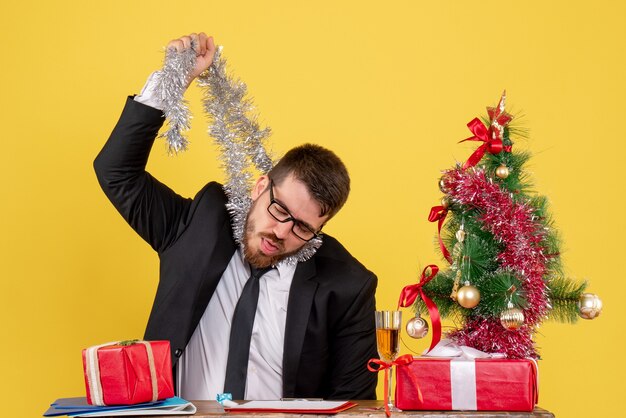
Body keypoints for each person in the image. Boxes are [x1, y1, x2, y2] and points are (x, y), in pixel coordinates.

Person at [94, 32, 378, 401]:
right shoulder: (200, 223)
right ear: (260, 187)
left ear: (321, 230)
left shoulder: (348, 285)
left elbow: (354, 400)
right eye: (280, 210)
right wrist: (171, 82)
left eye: (303, 227)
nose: (281, 231)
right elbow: (117, 172)